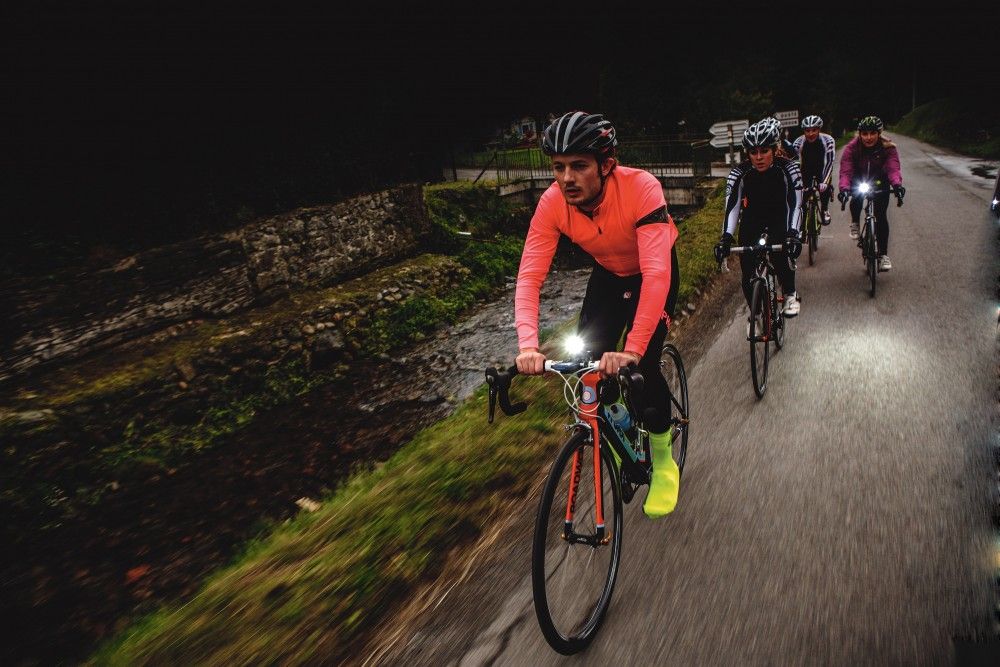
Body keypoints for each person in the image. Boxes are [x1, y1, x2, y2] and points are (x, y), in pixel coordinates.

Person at [514, 111, 681, 518]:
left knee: (644, 371)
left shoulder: (641, 187)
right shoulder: (552, 203)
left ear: (607, 164)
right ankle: (619, 425)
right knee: (585, 365)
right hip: (608, 275)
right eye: (558, 167)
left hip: (652, 273)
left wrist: (634, 349)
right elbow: (530, 275)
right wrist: (528, 345)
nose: (567, 178)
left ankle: (663, 461)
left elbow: (657, 273)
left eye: (579, 166)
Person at [714, 118, 803, 331]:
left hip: (780, 217)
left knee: (782, 255)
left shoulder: (788, 169)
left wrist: (793, 233)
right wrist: (726, 237)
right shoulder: (739, 172)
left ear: (775, 149)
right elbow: (732, 207)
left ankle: (790, 294)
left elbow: (795, 204)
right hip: (752, 220)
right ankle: (755, 314)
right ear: (748, 154)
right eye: (753, 152)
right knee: (747, 272)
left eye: (764, 151)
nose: (759, 157)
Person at [837, 115, 905, 271]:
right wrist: (844, 189)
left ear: (879, 133)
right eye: (865, 134)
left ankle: (883, 255)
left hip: (880, 181)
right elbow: (846, 171)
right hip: (859, 179)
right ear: (859, 134)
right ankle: (855, 222)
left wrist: (897, 185)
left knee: (881, 215)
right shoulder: (852, 148)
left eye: (872, 133)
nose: (868, 137)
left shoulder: (888, 147)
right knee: (856, 198)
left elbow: (893, 168)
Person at [792, 115, 836, 225]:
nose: (810, 134)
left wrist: (825, 182)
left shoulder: (828, 140)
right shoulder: (798, 142)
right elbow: (794, 163)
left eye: (814, 130)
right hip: (805, 169)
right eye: (807, 130)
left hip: (822, 167)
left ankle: (824, 209)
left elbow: (829, 162)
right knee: (802, 196)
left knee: (824, 188)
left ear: (819, 129)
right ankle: (801, 220)